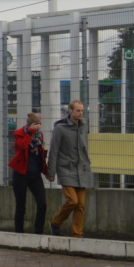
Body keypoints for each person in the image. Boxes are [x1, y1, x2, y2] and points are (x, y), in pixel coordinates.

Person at [47, 99, 92, 237]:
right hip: (66, 169)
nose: (80, 113)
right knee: (72, 200)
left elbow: (84, 147)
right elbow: (53, 150)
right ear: (70, 111)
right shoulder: (60, 128)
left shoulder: (84, 126)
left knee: (81, 205)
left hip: (82, 169)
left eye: (82, 111)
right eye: (78, 110)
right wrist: (51, 171)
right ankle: (56, 223)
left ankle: (77, 235)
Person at [8, 112, 47, 234]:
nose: (37, 129)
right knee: (21, 205)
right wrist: (29, 132)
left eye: (39, 126)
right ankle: (19, 232)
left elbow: (41, 155)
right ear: (30, 125)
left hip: (35, 174)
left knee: (42, 203)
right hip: (21, 173)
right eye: (36, 126)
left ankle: (38, 231)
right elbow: (23, 146)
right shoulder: (19, 133)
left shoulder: (39, 135)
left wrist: (46, 172)